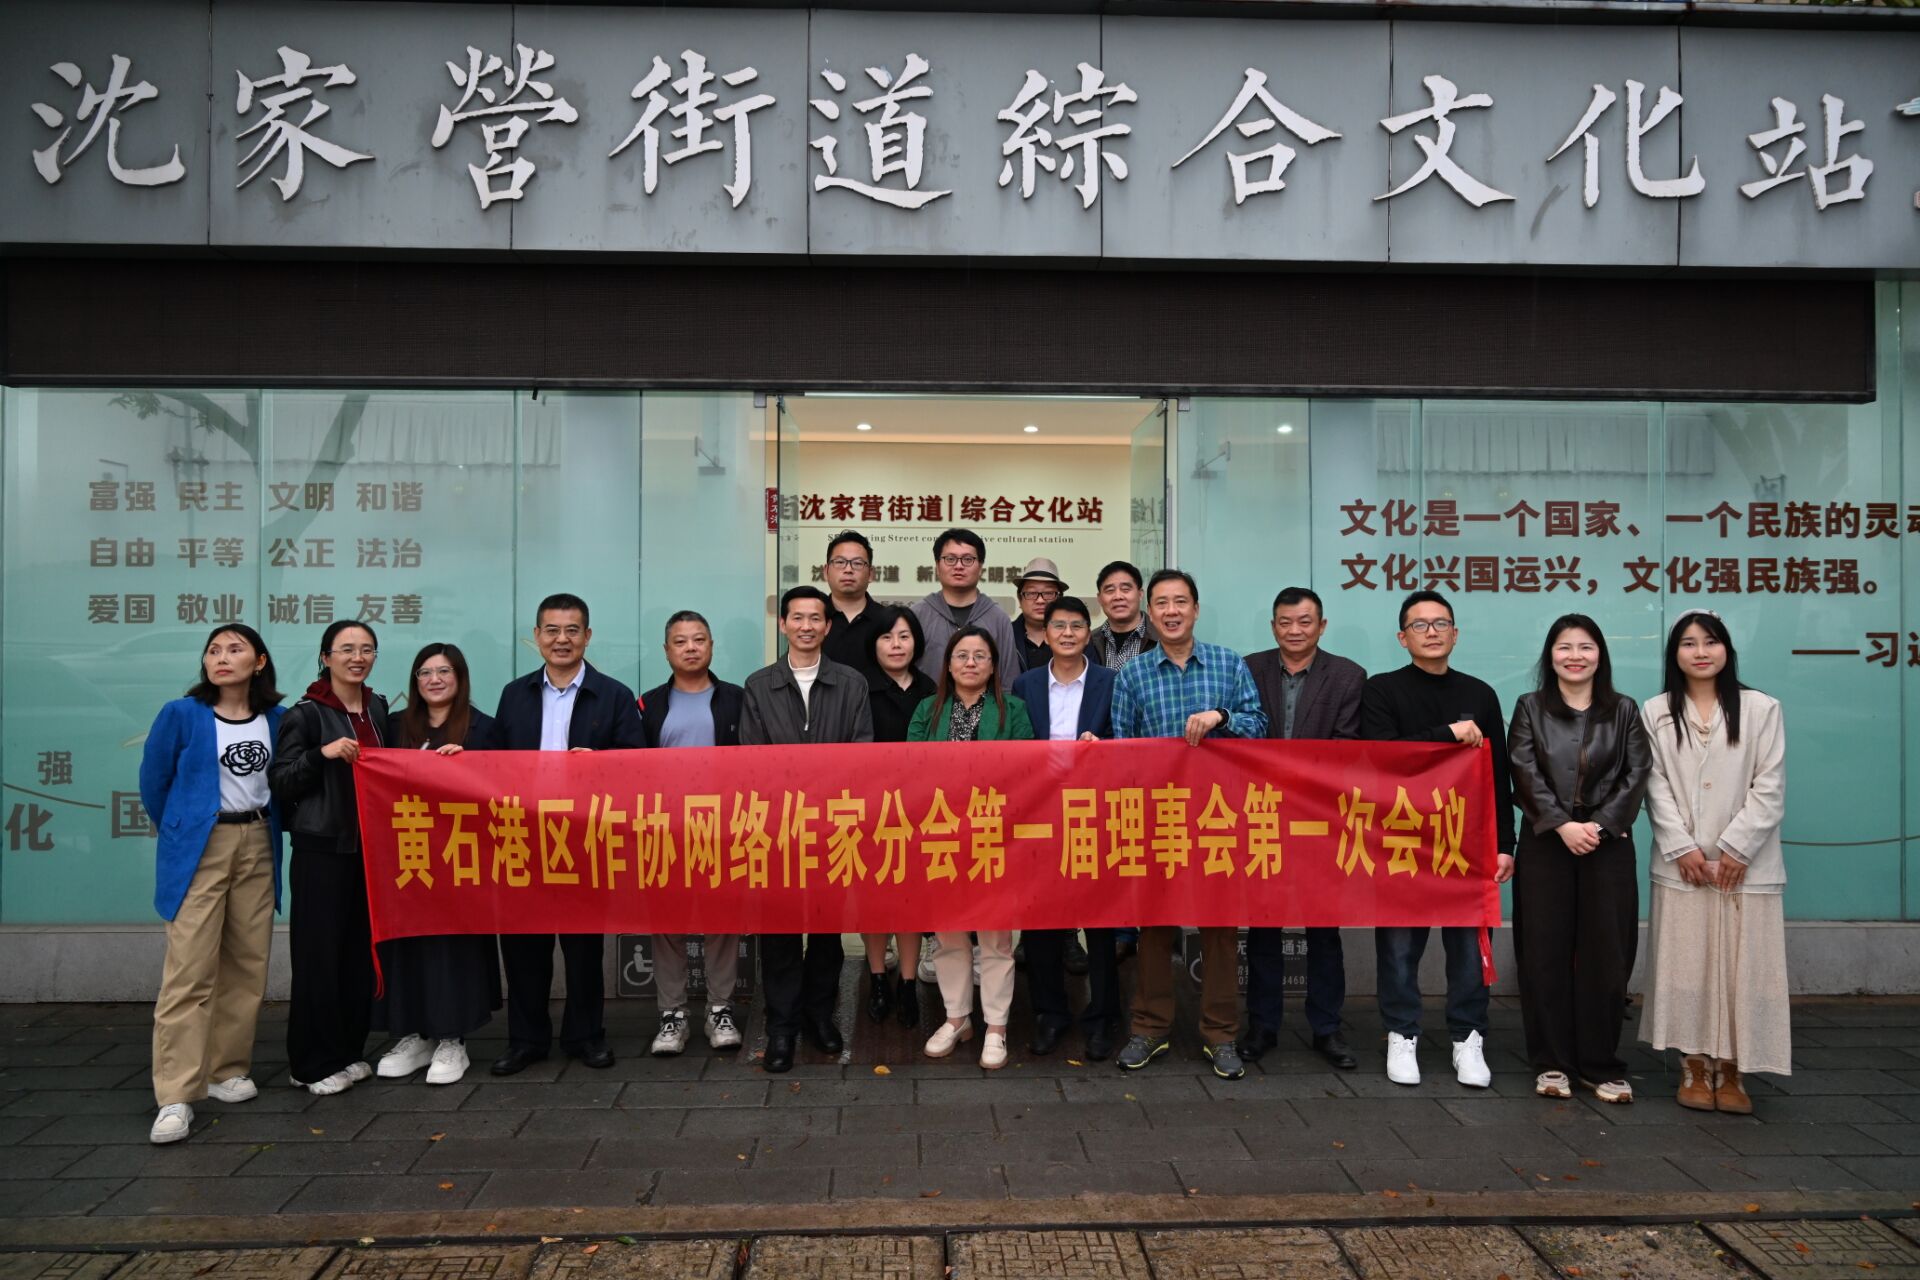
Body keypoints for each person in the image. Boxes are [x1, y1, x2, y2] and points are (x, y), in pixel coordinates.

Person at [1110, 570, 1266, 1080]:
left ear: (1196, 609)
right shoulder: (1133, 674)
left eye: (1181, 601)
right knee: (1154, 925)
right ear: (1149, 614)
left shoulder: (1228, 663)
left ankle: (1220, 1034)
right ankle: (1149, 1027)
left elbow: (1259, 727)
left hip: (1220, 816)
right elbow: (1123, 749)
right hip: (1159, 818)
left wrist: (1222, 716)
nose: (1171, 611)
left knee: (1219, 929)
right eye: (1162, 603)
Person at [1360, 590, 1516, 1090]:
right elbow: (1381, 754)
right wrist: (1446, 734)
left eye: (1440, 623)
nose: (1431, 632)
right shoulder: (1382, 690)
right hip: (1400, 837)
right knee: (1399, 946)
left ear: (1455, 633)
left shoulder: (1481, 694)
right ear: (1402, 637)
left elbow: (1497, 775)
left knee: (1468, 947)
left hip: (1463, 840)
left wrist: (1505, 843)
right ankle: (1401, 1033)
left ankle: (1467, 1036)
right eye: (1419, 625)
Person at [140, 624, 287, 1144]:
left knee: (247, 962)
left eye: (235, 649)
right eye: (213, 650)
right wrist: (184, 828)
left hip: (258, 840)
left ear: (259, 662)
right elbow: (154, 783)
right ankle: (176, 1094)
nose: (221, 658)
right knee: (190, 970)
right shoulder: (182, 714)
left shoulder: (277, 719)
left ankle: (227, 1070)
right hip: (202, 845)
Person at [1641, 609, 1789, 1115]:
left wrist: (1736, 848)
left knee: (1743, 969)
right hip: (1682, 865)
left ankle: (1733, 1069)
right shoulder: (1656, 711)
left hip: (1746, 866)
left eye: (1710, 641)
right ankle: (1695, 1064)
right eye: (1688, 643)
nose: (1700, 652)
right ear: (1674, 654)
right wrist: (1682, 847)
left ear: (1727, 648)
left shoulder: (1761, 708)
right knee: (1686, 964)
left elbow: (1770, 785)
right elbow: (1654, 785)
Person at [491, 593, 646, 1076]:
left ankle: (586, 1035)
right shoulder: (514, 694)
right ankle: (526, 1039)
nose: (562, 639)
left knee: (582, 947)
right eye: (552, 630)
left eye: (572, 630)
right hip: (524, 836)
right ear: (537, 636)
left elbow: (638, 765)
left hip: (585, 837)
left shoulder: (614, 695)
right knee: (524, 946)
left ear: (588, 636)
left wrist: (601, 766)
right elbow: (492, 763)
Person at [1508, 614, 1651, 1105]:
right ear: (1550, 656)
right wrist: (1561, 824)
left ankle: (1600, 1063)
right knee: (1543, 953)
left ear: (1600, 655)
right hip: (1546, 843)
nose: (1575, 656)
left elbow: (1637, 773)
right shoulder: (1529, 707)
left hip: (1607, 844)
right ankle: (1551, 1062)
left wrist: (1601, 825)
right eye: (1564, 647)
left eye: (1585, 647)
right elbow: (1522, 769)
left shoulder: (1624, 710)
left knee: (1607, 955)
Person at [741, 585, 875, 1073]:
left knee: (825, 930)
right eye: (796, 617)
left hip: (833, 827)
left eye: (815, 618)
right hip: (777, 829)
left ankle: (820, 1015)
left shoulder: (851, 683)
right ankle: (781, 1027)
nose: (805, 626)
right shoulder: (759, 685)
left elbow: (861, 754)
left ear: (827, 626)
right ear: (783, 625)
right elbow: (752, 759)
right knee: (778, 931)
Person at [1240, 587, 1367, 1071]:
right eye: (1285, 622)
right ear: (1273, 626)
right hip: (1262, 816)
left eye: (1305, 621)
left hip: (1321, 819)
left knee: (1323, 929)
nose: (1295, 630)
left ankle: (1327, 1028)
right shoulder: (1249, 668)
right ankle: (1262, 1025)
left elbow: (1346, 747)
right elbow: (1240, 738)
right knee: (1263, 927)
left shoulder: (1348, 676)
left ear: (1322, 625)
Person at [373, 643, 502, 1087]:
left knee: (453, 946)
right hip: (406, 855)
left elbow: (503, 790)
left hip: (460, 857)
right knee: (407, 943)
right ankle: (414, 1034)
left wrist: (467, 768)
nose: (434, 680)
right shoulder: (394, 726)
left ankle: (452, 1038)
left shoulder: (483, 728)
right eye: (425, 672)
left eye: (444, 671)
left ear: (460, 678)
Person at [270, 619, 390, 1097]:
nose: (357, 658)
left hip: (367, 851)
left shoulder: (377, 707)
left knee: (356, 955)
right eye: (346, 649)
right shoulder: (305, 714)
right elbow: (281, 781)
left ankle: (346, 1051)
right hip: (321, 849)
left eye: (366, 649)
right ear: (326, 657)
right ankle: (310, 1062)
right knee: (318, 956)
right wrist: (322, 755)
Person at [908, 627, 1035, 1070]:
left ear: (994, 665)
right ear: (947, 664)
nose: (970, 663)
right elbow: (911, 769)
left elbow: (1026, 770)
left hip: (994, 836)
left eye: (981, 655)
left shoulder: (1014, 709)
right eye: (961, 655)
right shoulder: (928, 708)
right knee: (948, 935)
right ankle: (956, 1018)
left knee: (996, 938)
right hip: (942, 833)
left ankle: (996, 1026)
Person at [1012, 596, 1119, 1060]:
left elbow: (1128, 737)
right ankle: (1049, 1013)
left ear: (1087, 632)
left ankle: (1102, 1016)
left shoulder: (1111, 682)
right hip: (1039, 814)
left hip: (1094, 814)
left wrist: (1104, 745)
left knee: (1100, 921)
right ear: (1047, 631)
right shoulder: (1026, 683)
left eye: (1077, 625)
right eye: (1060, 625)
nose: (1069, 633)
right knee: (1041, 921)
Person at [639, 610, 746, 1056]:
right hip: (665, 827)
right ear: (666, 650)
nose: (690, 648)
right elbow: (631, 766)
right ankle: (673, 1014)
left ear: (711, 646)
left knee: (722, 918)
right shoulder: (648, 703)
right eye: (680, 641)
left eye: (698, 639)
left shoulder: (737, 699)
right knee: (668, 921)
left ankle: (720, 1009)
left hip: (722, 826)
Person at [861, 605, 937, 1028]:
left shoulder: (931, 688)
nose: (896, 645)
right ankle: (877, 977)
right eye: (887, 637)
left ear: (916, 643)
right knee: (874, 901)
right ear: (874, 644)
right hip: (871, 810)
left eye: (904, 636)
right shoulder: (859, 687)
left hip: (920, 810)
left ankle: (907, 982)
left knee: (911, 900)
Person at [909, 527, 1021, 691]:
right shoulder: (918, 615)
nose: (959, 566)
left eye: (968, 559)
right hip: (929, 706)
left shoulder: (998, 618)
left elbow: (1008, 681)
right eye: (950, 559)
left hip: (987, 707)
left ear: (980, 567)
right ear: (937, 566)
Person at [821, 530, 887, 681]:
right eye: (840, 562)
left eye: (857, 563)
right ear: (826, 571)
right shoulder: (813, 620)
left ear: (871, 574)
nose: (848, 569)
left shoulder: (886, 621)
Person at [1089, 560, 1157, 671]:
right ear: (1099, 598)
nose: (1118, 596)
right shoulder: (1089, 641)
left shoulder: (1162, 637)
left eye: (1125, 589)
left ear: (1140, 594)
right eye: (1110, 590)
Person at [1010, 557, 1067, 672]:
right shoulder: (1004, 635)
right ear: (1020, 599)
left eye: (1048, 593)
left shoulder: (1073, 636)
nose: (1040, 601)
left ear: (1059, 598)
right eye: (1031, 593)